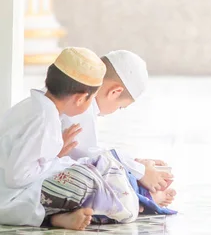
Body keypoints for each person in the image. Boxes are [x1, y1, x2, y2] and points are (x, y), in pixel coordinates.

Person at [0, 47, 140, 230]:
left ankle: (57, 218)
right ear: (80, 99)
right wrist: (55, 158)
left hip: (10, 196)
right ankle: (123, 207)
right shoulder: (44, 120)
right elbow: (17, 178)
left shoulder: (35, 107)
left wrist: (55, 155)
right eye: (92, 98)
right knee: (86, 179)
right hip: (13, 200)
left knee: (92, 168)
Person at [62, 50, 176, 207]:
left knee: (117, 171)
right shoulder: (78, 107)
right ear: (114, 92)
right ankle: (143, 198)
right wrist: (140, 171)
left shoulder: (71, 95)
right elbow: (91, 158)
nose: (115, 111)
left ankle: (140, 196)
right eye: (120, 107)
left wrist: (134, 164)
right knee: (111, 179)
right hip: (37, 187)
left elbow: (90, 150)